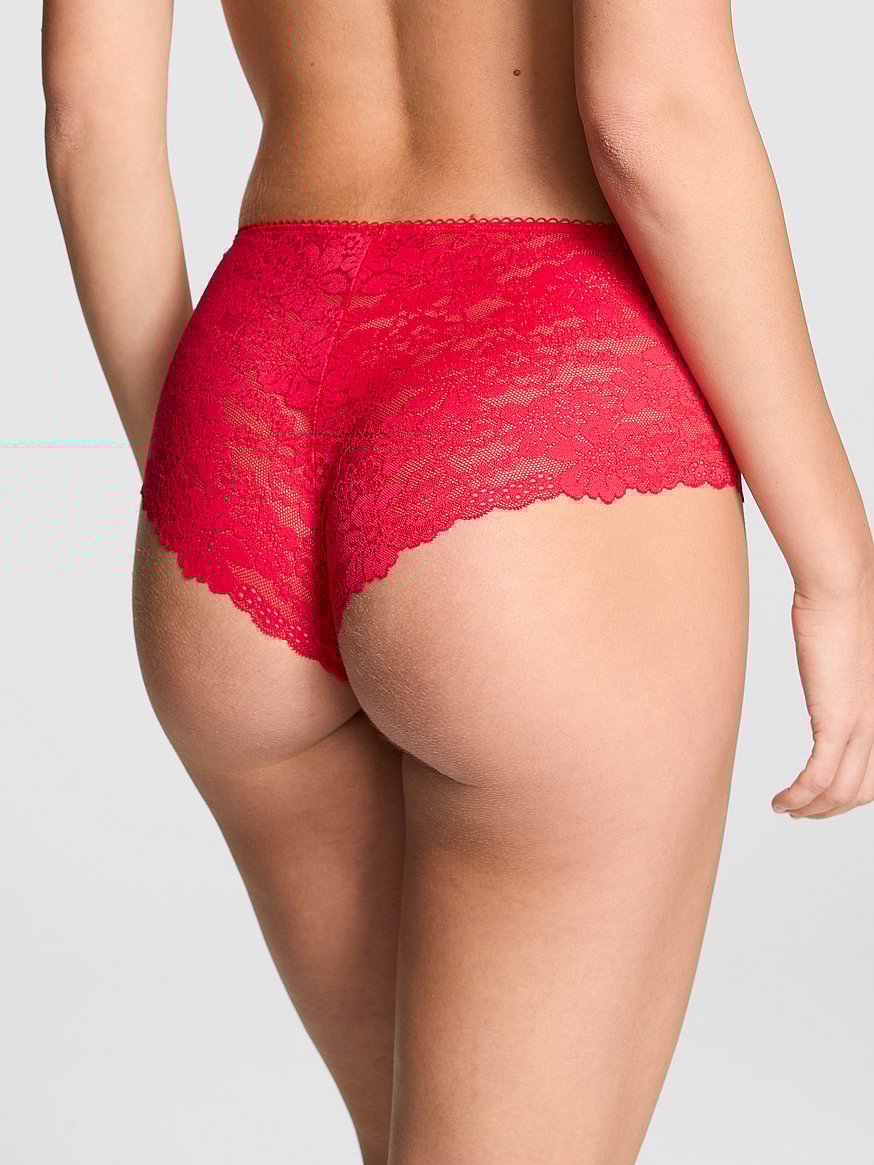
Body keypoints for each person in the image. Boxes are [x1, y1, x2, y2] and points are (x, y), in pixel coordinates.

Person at [42, 0, 874, 1161]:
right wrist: (837, 566)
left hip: (250, 388)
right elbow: (650, 118)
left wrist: (208, 475)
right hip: (531, 389)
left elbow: (89, 115)